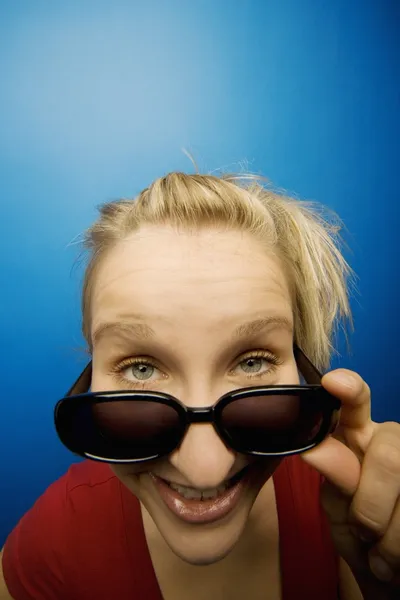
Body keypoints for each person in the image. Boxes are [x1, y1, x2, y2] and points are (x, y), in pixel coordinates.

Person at [1, 171, 399, 600]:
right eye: (141, 369)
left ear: (304, 368)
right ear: (91, 375)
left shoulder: (342, 508)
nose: (204, 467)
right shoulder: (54, 538)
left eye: (252, 362)